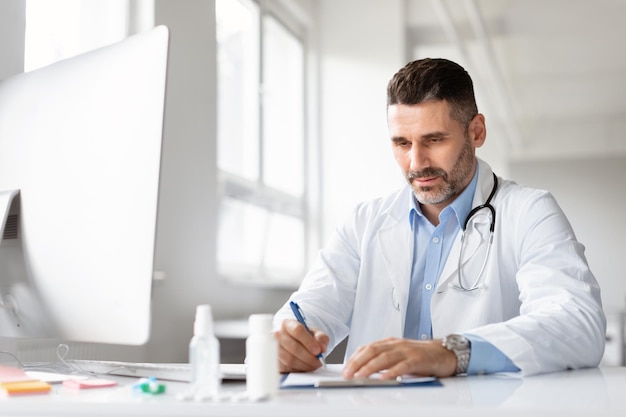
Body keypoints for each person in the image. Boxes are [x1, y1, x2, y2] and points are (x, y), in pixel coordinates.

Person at [273, 58, 606, 379]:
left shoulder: (528, 211)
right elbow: (308, 310)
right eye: (402, 143)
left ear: (476, 132)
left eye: (434, 140)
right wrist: (288, 336)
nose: (416, 162)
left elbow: (577, 324)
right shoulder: (365, 222)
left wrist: (452, 352)